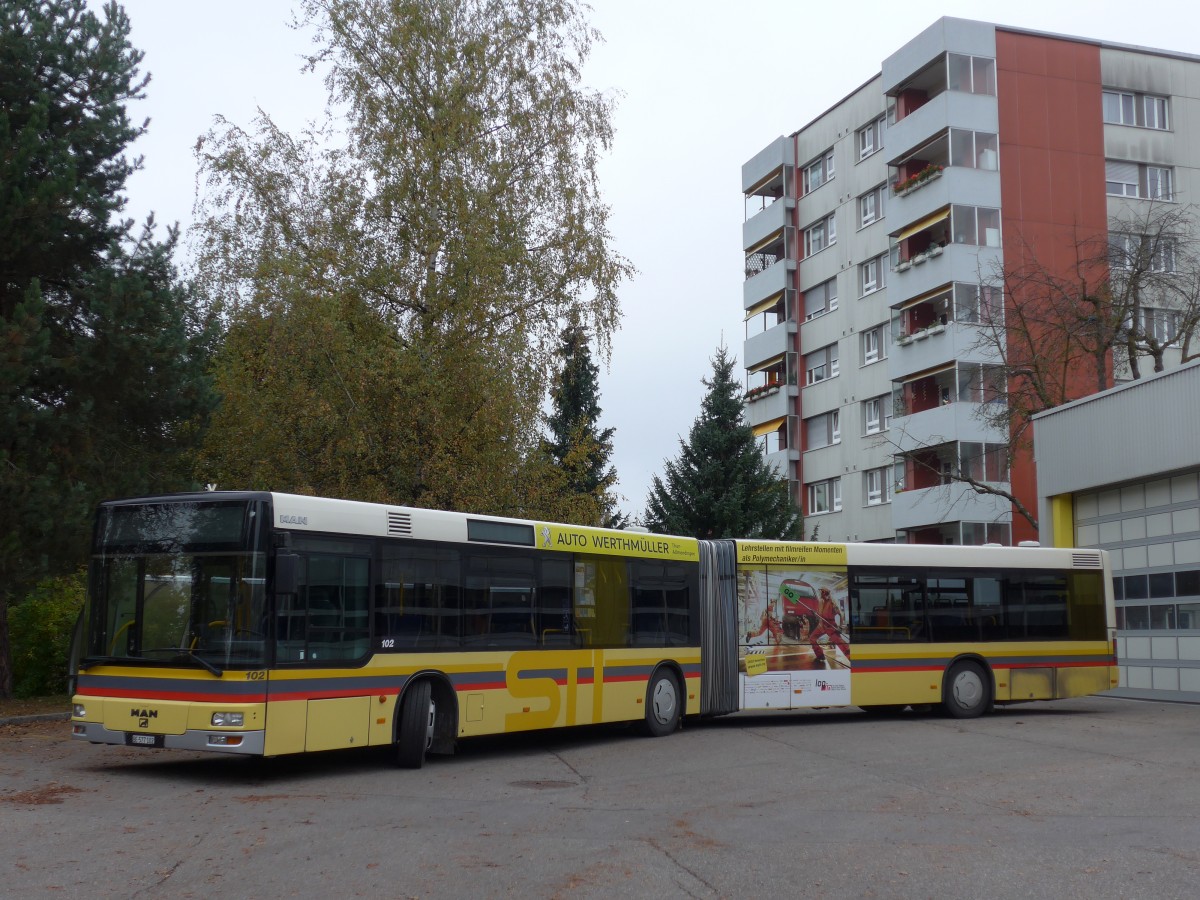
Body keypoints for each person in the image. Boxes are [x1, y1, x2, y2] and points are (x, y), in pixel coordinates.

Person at [809, 587, 850, 666]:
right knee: (812, 638)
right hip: (821, 625)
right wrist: (814, 613)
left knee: (840, 643)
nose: (820, 593)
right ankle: (820, 655)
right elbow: (819, 615)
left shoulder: (832, 603)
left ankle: (852, 658)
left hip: (830, 626)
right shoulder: (820, 602)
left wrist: (840, 627)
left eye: (821, 592)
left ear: (824, 593)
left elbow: (841, 615)